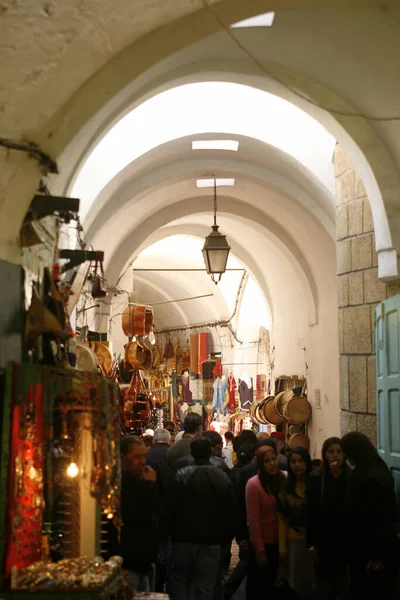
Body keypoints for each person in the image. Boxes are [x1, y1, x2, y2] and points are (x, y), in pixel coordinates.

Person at [164, 437, 235, 600]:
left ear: (192, 452)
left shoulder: (180, 473)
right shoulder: (221, 475)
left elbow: (169, 505)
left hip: (182, 538)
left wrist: (167, 531)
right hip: (211, 539)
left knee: (180, 580)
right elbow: (230, 508)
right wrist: (225, 537)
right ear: (210, 451)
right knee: (206, 584)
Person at [341, 431, 400, 600]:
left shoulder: (364, 478)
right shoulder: (379, 468)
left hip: (369, 552)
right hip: (382, 547)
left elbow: (374, 520)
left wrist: (375, 556)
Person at [108, 436, 159, 594]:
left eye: (144, 456)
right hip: (129, 567)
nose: (143, 461)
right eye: (137, 456)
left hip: (141, 565)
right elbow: (139, 514)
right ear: (122, 457)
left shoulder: (137, 481)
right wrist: (149, 485)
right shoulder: (120, 487)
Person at [306, 437, 349, 600]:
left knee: (344, 587)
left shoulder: (349, 478)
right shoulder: (317, 479)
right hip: (323, 543)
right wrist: (311, 545)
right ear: (325, 455)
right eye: (331, 452)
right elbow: (311, 514)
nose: (335, 456)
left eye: (339, 452)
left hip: (344, 543)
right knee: (325, 589)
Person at [245, 442, 285, 597]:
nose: (272, 464)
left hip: (282, 542)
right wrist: (260, 550)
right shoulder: (254, 484)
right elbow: (253, 520)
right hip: (264, 543)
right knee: (261, 587)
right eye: (267, 461)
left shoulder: (284, 478)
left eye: (273, 459)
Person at [279, 447, 314, 600]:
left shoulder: (316, 485)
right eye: (293, 461)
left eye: (300, 461)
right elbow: (282, 519)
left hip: (314, 542)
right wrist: (282, 547)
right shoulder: (286, 488)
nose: (297, 465)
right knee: (295, 582)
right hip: (294, 541)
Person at [146, 428, 171, 496]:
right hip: (170, 491)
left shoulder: (147, 454)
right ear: (168, 440)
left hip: (151, 492)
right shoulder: (172, 453)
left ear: (153, 441)